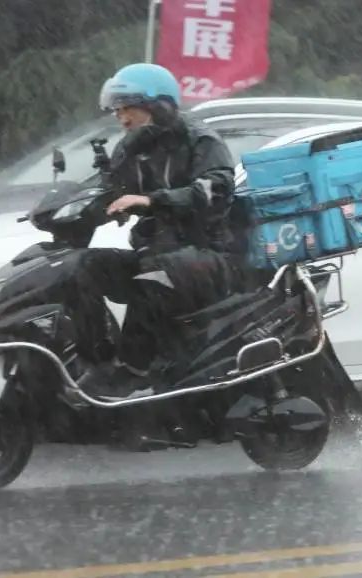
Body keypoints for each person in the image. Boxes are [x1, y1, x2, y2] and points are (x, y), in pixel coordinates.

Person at [66, 63, 242, 397]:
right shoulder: (130, 149)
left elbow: (215, 190)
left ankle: (133, 370)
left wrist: (152, 201)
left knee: (154, 275)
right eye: (117, 111)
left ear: (158, 105)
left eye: (128, 108)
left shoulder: (200, 140)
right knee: (80, 267)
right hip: (156, 253)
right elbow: (108, 192)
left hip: (211, 255)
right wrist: (71, 212)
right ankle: (97, 361)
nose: (122, 118)